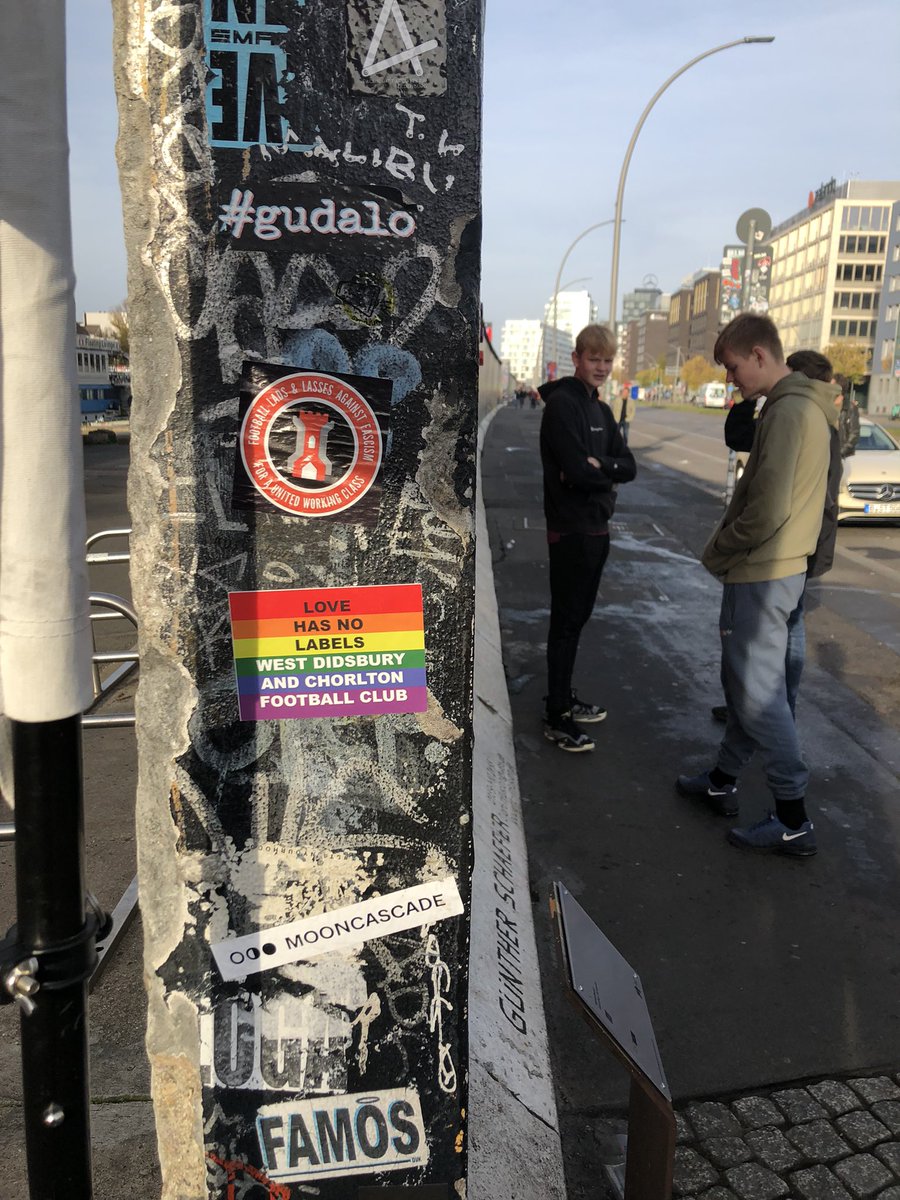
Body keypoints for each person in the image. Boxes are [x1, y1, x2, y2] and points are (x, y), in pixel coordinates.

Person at [676, 314, 838, 856]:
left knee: (759, 695)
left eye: (733, 366)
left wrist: (717, 551)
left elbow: (767, 508)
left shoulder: (790, 412)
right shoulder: (806, 405)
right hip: (784, 570)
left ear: (761, 356)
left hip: (763, 573)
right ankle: (722, 781)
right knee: (758, 690)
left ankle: (793, 819)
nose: (731, 379)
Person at [710, 349, 843, 724]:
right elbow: (737, 437)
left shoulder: (800, 416)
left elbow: (800, 496)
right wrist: (748, 399)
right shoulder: (794, 413)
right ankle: (763, 710)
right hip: (799, 539)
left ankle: (775, 709)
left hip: (793, 542)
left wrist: (723, 545)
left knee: (783, 629)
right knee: (786, 626)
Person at [538, 324, 636, 752]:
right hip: (570, 530)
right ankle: (556, 715)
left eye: (607, 360)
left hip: (597, 528)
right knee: (565, 622)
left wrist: (603, 470)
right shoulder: (561, 405)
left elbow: (629, 466)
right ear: (576, 358)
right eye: (593, 358)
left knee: (577, 620)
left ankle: (564, 698)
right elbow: (575, 471)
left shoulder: (603, 410)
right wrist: (599, 473)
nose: (600, 367)